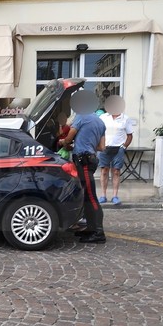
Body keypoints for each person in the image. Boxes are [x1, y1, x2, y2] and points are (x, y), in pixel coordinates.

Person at [58, 90, 106, 244]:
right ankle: (90, 229)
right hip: (90, 159)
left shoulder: (81, 117)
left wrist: (63, 143)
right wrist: (81, 144)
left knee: (91, 196)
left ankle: (98, 232)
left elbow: (70, 136)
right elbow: (101, 147)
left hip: (83, 161)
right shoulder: (100, 122)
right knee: (86, 196)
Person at [98, 96, 133, 205]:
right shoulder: (103, 117)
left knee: (116, 172)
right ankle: (103, 195)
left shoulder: (125, 118)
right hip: (105, 148)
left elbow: (130, 135)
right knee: (104, 171)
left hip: (118, 149)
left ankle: (115, 196)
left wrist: (124, 147)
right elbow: (98, 132)